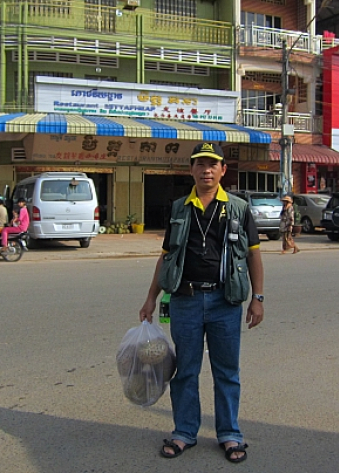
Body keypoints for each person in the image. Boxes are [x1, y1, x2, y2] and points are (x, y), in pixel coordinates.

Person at [139, 142, 264, 465]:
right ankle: (184, 432)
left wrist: (258, 299)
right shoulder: (180, 207)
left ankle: (230, 433)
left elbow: (253, 254)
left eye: (212, 164)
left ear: (223, 170)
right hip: (186, 300)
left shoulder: (237, 208)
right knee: (185, 371)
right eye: (199, 164)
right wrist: (150, 298)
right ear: (191, 170)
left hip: (226, 302)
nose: (206, 170)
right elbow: (166, 257)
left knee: (227, 372)